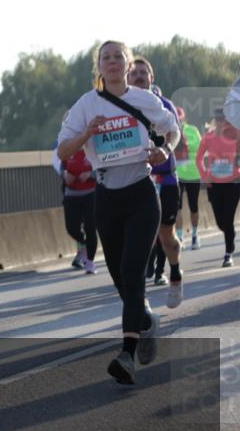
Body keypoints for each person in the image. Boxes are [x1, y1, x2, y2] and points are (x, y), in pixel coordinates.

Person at [57, 40, 179, 385]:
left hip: (141, 191)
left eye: (118, 57)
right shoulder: (86, 105)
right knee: (121, 281)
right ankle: (146, 321)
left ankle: (126, 354)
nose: (112, 62)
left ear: (128, 66)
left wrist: (165, 149)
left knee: (132, 271)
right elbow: (65, 150)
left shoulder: (144, 99)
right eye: (105, 58)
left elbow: (172, 129)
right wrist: (87, 133)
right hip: (107, 196)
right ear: (99, 66)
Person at [128, 58, 184, 306]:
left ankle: (175, 273)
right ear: (128, 78)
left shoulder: (164, 105)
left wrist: (166, 148)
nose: (139, 76)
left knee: (166, 237)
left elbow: (175, 133)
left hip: (165, 179)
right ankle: (139, 299)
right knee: (136, 239)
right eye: (134, 73)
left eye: (143, 72)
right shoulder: (120, 105)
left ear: (152, 77)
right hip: (134, 180)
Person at [195, 108, 240, 268]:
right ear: (215, 120)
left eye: (225, 119)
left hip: (233, 183)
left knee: (227, 219)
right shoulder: (208, 137)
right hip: (214, 184)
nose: (222, 122)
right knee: (221, 223)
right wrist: (204, 175)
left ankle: (228, 253)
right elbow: (199, 158)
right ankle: (230, 236)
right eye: (219, 119)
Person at [52, 147, 98, 274]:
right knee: (71, 228)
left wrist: (90, 174)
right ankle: (82, 244)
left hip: (91, 193)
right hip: (72, 194)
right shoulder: (69, 146)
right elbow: (61, 167)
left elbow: (103, 168)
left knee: (90, 227)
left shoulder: (93, 148)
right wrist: (65, 174)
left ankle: (90, 262)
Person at [175, 106, 203, 250]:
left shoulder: (192, 130)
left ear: (183, 118)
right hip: (177, 175)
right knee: (178, 207)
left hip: (192, 174)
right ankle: (180, 236)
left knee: (193, 207)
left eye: (179, 118)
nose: (178, 120)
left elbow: (201, 148)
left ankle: (194, 235)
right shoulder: (170, 131)